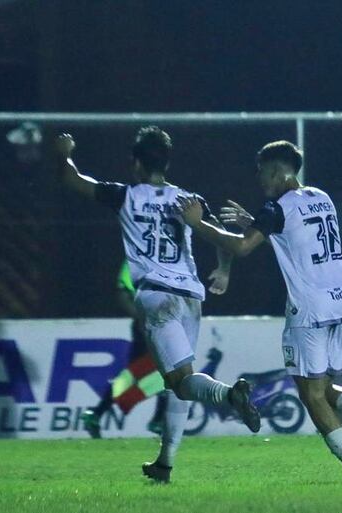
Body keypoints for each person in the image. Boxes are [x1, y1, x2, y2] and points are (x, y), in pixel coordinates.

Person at [177, 140, 342, 483]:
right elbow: (299, 237)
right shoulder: (320, 198)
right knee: (322, 388)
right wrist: (257, 221)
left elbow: (241, 247)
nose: (260, 180)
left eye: (263, 172)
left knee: (310, 395)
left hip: (309, 309)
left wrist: (197, 223)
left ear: (278, 171)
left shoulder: (276, 208)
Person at [53, 126, 260, 484]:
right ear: (166, 161)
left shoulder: (126, 195)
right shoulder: (188, 198)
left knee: (180, 382)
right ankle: (164, 463)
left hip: (156, 296)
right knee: (180, 381)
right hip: (191, 297)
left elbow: (73, 180)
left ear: (135, 163)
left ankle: (229, 395)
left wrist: (64, 152)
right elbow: (221, 239)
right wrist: (224, 272)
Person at [81, 260, 167, 438]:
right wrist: (141, 319)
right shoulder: (135, 260)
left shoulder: (164, 258)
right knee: (159, 371)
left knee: (149, 372)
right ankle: (158, 421)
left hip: (162, 323)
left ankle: (96, 414)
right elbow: (123, 293)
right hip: (146, 324)